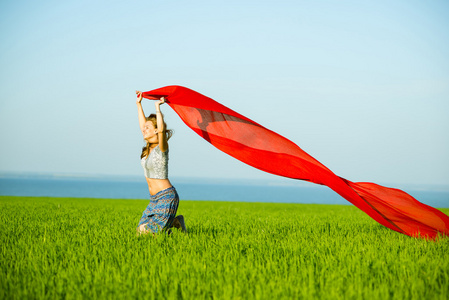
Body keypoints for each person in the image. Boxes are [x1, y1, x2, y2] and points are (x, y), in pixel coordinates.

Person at [135, 90, 186, 235]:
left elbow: (162, 131)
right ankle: (175, 222)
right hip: (154, 200)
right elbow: (142, 126)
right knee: (140, 231)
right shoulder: (147, 149)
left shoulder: (162, 148)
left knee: (148, 233)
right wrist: (139, 104)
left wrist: (158, 108)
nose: (144, 130)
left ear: (156, 130)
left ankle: (170, 227)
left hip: (166, 196)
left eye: (148, 128)